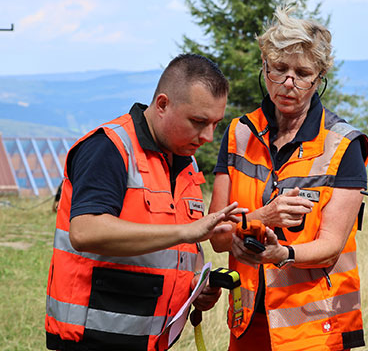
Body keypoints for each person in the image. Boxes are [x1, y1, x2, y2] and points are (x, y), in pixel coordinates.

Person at [45, 54, 246, 351]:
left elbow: (180, 243)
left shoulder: (184, 162)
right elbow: (85, 232)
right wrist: (185, 232)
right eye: (198, 121)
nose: (207, 136)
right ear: (163, 104)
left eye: (215, 123)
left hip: (150, 339)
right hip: (94, 340)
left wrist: (193, 283)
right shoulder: (108, 147)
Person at [209, 6, 368, 351]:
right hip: (248, 319)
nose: (288, 83)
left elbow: (330, 247)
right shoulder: (239, 133)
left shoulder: (343, 144)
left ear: (320, 77)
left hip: (318, 325)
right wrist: (255, 221)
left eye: (302, 73)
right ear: (264, 67)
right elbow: (217, 236)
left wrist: (280, 253)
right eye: (279, 69)